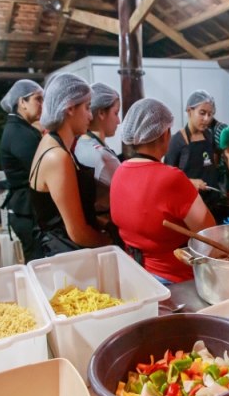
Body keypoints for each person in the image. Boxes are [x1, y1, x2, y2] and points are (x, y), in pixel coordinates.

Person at [110, 98, 216, 284]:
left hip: (134, 275)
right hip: (174, 281)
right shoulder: (171, 178)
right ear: (164, 134)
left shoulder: (119, 172)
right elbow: (209, 235)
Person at [29, 73, 111, 256]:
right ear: (70, 108)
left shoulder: (54, 143)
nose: (91, 116)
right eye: (87, 107)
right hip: (62, 255)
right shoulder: (57, 157)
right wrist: (112, 243)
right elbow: (78, 233)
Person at [0, 79, 45, 262]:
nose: (42, 105)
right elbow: (42, 172)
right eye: (38, 99)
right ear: (22, 102)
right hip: (28, 212)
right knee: (38, 265)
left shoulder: (21, 128)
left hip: (28, 209)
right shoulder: (19, 133)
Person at [73, 82, 121, 225]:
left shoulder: (80, 143)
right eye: (116, 113)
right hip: (106, 225)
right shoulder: (101, 156)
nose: (118, 121)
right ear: (101, 113)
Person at [164, 90, 220, 211]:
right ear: (189, 111)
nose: (206, 119)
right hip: (190, 205)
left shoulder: (209, 135)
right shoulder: (177, 141)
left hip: (212, 201)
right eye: (202, 113)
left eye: (210, 114)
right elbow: (167, 179)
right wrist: (189, 182)